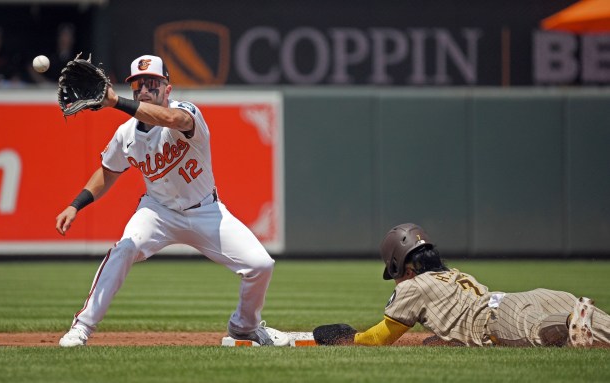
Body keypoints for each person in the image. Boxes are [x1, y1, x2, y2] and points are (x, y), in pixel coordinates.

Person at [55, 54, 287, 347]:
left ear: (168, 88)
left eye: (153, 82)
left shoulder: (186, 112)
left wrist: (117, 103)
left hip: (205, 210)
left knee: (261, 265)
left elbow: (173, 120)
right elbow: (108, 172)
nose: (145, 89)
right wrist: (75, 204)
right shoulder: (125, 135)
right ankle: (82, 327)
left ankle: (244, 326)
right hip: (157, 212)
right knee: (123, 249)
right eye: (138, 84)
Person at [313, 223, 610, 347]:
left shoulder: (414, 286)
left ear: (398, 265)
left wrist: (349, 338)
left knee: (549, 331)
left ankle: (573, 320)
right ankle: (577, 315)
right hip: (530, 297)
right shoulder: (456, 275)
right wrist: (439, 341)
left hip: (503, 318)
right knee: (602, 326)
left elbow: (382, 337)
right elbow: (459, 324)